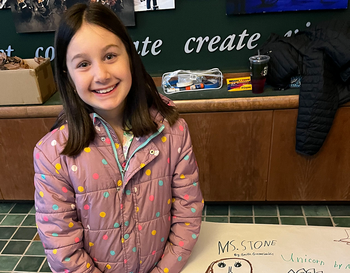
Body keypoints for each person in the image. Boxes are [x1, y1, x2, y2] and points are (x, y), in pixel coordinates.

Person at [33, 2, 203, 273]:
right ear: (68, 76)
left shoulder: (174, 132)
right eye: (84, 64)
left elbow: (188, 213)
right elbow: (61, 246)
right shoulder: (53, 155)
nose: (101, 75)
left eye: (110, 56)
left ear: (129, 57)